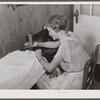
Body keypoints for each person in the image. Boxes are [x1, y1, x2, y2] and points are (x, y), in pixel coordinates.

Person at [28, 15, 90, 89]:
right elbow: (55, 44)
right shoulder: (71, 35)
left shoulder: (64, 47)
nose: (49, 34)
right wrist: (36, 44)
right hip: (84, 75)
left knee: (40, 82)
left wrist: (39, 56)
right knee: (52, 76)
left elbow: (49, 68)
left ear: (56, 29)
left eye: (50, 31)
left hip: (76, 81)